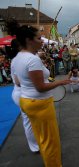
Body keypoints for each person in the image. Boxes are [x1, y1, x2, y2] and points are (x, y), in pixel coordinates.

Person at [7, 20, 71, 167]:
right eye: (38, 38)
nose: (41, 40)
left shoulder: (17, 58)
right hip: (40, 104)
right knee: (51, 142)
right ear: (29, 40)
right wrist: (61, 82)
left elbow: (19, 82)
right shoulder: (32, 59)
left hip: (27, 100)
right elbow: (41, 87)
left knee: (42, 138)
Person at [9, 34, 39, 153]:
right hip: (22, 94)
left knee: (30, 121)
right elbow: (17, 81)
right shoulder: (18, 60)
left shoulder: (21, 58)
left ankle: (36, 143)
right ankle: (34, 146)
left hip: (23, 93)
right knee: (29, 122)